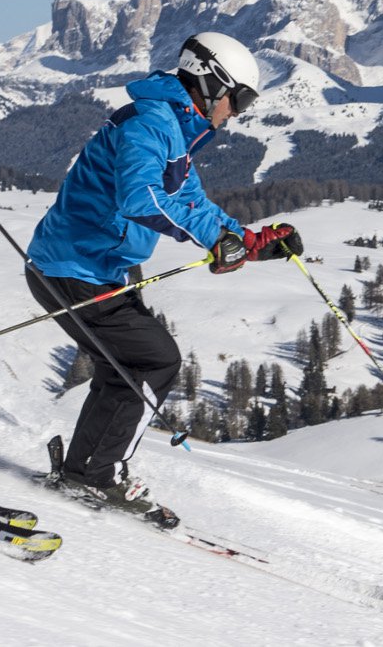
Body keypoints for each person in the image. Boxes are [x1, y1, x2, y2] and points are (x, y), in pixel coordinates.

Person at [25, 32, 300, 525]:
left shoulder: (175, 127)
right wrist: (216, 242)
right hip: (72, 270)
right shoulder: (150, 125)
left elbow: (193, 203)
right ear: (211, 84)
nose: (238, 113)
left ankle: (85, 471)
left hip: (95, 269)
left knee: (130, 366)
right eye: (240, 99)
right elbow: (140, 198)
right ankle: (93, 476)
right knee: (154, 359)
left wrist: (252, 243)